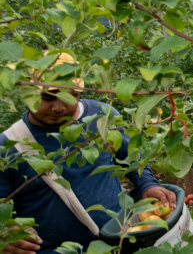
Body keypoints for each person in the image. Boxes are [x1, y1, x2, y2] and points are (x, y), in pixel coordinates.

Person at [0, 54, 176, 254]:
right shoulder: (8, 147)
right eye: (47, 97)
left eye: (70, 96)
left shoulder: (103, 117)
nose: (58, 107)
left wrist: (147, 184)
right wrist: (6, 235)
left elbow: (131, 160)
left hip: (116, 242)